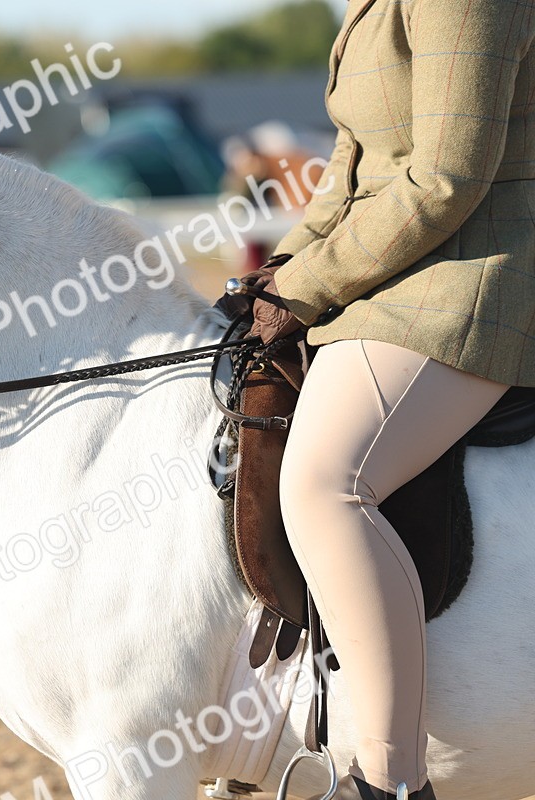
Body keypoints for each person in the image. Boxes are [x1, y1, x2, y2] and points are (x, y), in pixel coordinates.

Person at [229, 1, 535, 798]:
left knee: (326, 482)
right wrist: (287, 264)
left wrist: (311, 286)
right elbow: (354, 163)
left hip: (480, 275)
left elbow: (446, 176)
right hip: (401, 272)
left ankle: (392, 781)